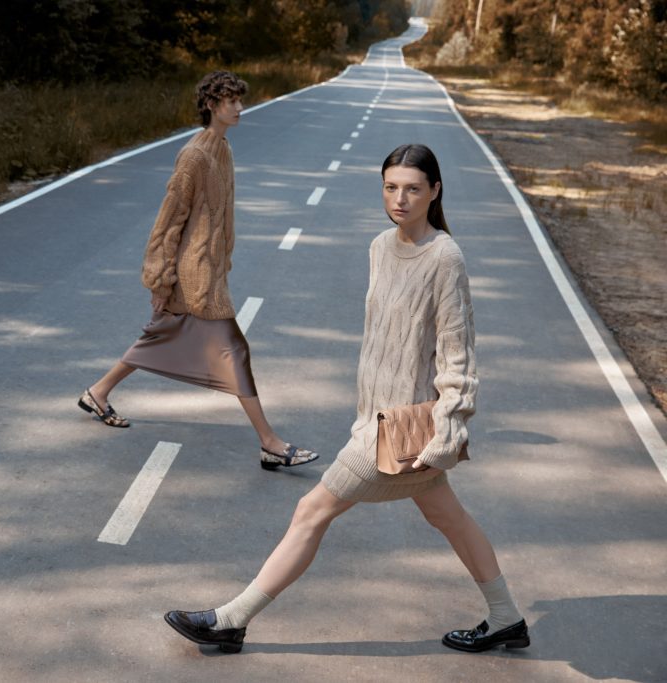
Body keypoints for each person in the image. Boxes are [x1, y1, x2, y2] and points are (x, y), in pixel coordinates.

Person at [164, 144, 530, 653]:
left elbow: (458, 357)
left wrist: (447, 433)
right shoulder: (380, 247)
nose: (400, 199)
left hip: (401, 431)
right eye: (390, 187)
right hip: (375, 422)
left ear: (435, 191)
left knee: (311, 510)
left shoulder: (445, 258)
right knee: (448, 516)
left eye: (413, 189)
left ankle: (232, 619)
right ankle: (507, 617)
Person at [77, 71, 318, 471]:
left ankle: (97, 392)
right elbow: (169, 221)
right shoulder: (194, 157)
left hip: (210, 271)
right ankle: (270, 443)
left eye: (240, 100)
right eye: (231, 101)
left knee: (160, 336)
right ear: (211, 105)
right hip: (193, 276)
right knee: (234, 351)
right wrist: (160, 279)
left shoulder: (222, 148)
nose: (240, 107)